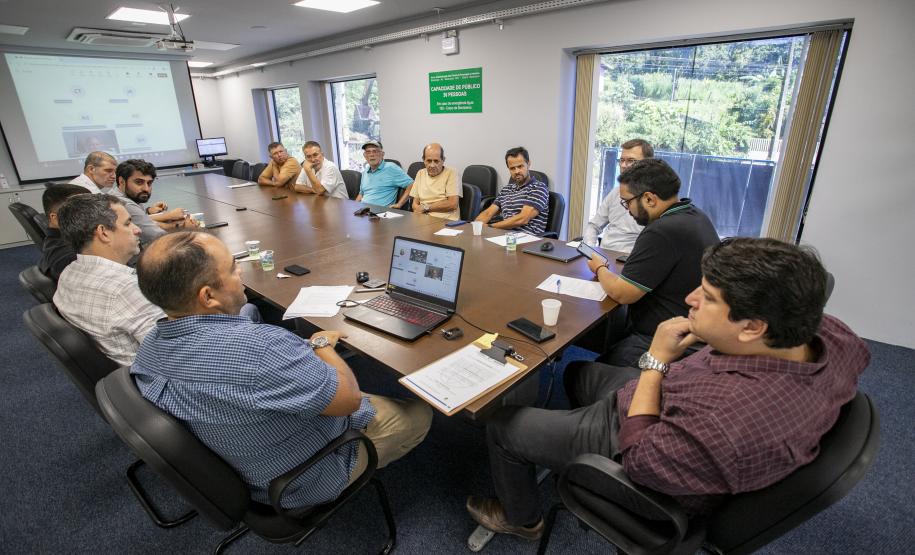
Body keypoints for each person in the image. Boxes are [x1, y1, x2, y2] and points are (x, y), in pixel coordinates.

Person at [467, 237, 869, 541]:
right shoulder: (831, 334)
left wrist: (657, 360)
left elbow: (640, 459)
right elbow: (859, 357)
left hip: (637, 441)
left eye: (707, 298)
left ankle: (523, 520)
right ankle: (566, 447)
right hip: (670, 395)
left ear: (752, 328)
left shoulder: (728, 419)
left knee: (503, 426)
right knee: (579, 374)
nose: (690, 299)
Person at [131, 231, 433, 508]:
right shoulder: (258, 350)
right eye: (233, 269)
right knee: (419, 414)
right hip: (300, 480)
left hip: (242, 462)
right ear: (208, 296)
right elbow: (349, 400)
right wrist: (319, 346)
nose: (241, 274)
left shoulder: (148, 348)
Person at [588, 158, 719, 367]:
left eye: (627, 202)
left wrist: (600, 268)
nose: (628, 210)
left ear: (649, 199)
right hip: (693, 327)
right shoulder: (694, 214)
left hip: (667, 336)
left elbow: (623, 293)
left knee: (580, 371)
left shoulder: (661, 231)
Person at [53, 194, 165, 366]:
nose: (137, 229)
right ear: (103, 233)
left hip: (120, 380)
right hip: (159, 380)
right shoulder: (126, 289)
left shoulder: (68, 273)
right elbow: (176, 354)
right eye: (128, 223)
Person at [582, 139, 653, 252]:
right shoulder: (615, 192)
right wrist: (590, 251)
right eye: (622, 160)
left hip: (632, 259)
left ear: (647, 164)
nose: (624, 165)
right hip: (605, 255)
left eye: (631, 161)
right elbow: (594, 225)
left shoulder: (654, 199)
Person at [109, 159, 195, 247]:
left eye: (149, 183)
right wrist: (186, 230)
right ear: (121, 181)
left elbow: (143, 221)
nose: (146, 189)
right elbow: (162, 239)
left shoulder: (120, 194)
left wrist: (149, 211)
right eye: (139, 182)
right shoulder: (124, 203)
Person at [474, 147, 549, 236]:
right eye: (512, 168)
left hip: (526, 239)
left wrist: (490, 227)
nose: (517, 171)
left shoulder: (538, 188)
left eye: (520, 166)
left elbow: (522, 219)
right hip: (504, 236)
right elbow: (488, 213)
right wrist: (475, 227)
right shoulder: (506, 189)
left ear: (528, 164)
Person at [38, 184, 89, 280]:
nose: (94, 215)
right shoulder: (70, 259)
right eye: (82, 211)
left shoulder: (69, 239)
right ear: (56, 218)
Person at [410, 143, 461, 220]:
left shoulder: (452, 173)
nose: (432, 165)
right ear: (423, 160)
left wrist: (425, 207)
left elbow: (452, 204)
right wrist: (418, 209)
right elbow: (414, 204)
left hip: (445, 220)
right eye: (429, 161)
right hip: (422, 219)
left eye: (436, 161)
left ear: (443, 160)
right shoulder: (420, 173)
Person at [356, 140, 413, 208]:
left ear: (382, 154)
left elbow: (412, 184)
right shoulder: (365, 171)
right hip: (363, 212)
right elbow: (361, 194)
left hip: (380, 214)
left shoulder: (391, 167)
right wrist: (354, 206)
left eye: (375, 151)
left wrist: (399, 204)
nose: (371, 155)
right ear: (365, 156)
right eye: (368, 152)